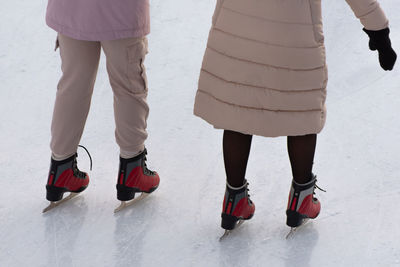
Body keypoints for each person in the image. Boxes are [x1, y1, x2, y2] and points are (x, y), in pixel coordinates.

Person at [193, 0, 396, 230]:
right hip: (294, 33)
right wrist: (378, 29)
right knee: (301, 110)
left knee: (239, 107)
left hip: (237, 27)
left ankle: (234, 200)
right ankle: (302, 199)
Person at [44, 0, 160, 210]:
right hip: (121, 11)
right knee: (129, 86)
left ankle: (61, 168)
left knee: (73, 85)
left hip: (71, 9)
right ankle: (133, 167)